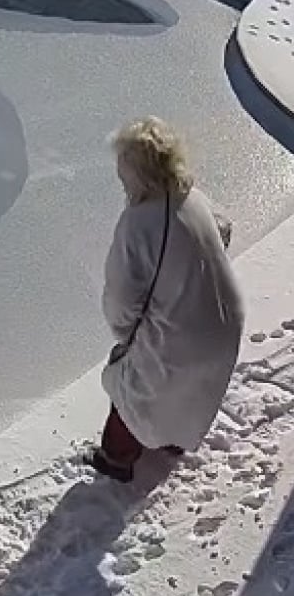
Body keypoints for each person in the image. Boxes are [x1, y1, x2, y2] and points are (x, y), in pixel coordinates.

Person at [89, 116, 244, 483]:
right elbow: (223, 231)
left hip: (184, 335)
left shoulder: (138, 222)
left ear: (134, 170)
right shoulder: (194, 198)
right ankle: (172, 442)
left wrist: (125, 337)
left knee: (131, 385)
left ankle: (117, 458)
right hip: (226, 323)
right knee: (186, 389)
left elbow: (123, 299)